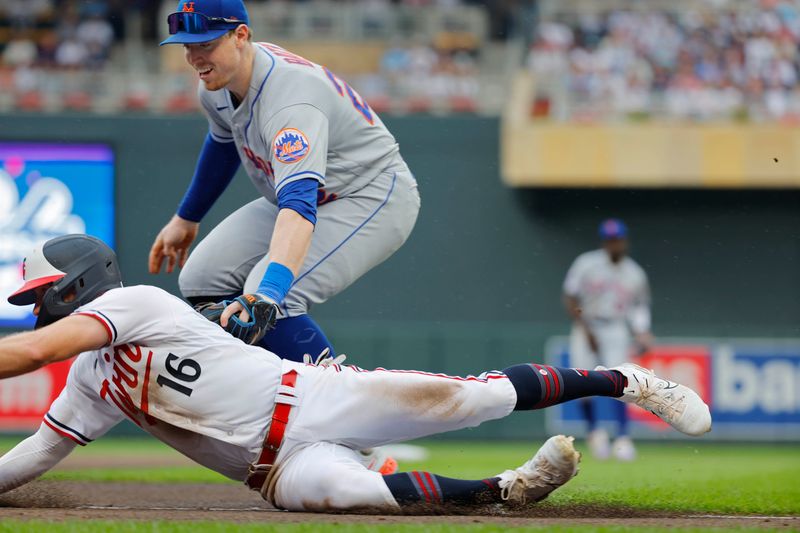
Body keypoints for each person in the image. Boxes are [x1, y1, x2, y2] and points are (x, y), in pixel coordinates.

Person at [0, 235, 710, 512]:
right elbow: (40, 450)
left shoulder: (132, 301)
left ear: (76, 282)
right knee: (357, 494)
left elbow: (28, 353)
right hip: (274, 470)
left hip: (310, 398)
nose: (35, 314)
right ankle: (507, 489)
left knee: (474, 399)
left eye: (38, 297)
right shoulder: (90, 376)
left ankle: (629, 381)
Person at [147, 0, 420, 364]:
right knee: (201, 279)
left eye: (206, 44)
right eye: (188, 46)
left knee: (273, 294)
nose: (195, 57)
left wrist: (269, 294)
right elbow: (224, 141)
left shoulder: (290, 101)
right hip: (309, 195)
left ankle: (329, 403)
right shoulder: (216, 84)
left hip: (369, 194)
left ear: (241, 35)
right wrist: (187, 216)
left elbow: (298, 207)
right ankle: (261, 389)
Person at [562, 219, 653, 461]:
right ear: (604, 242)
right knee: (581, 383)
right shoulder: (587, 263)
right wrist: (586, 329)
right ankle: (594, 432)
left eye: (618, 239)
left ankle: (623, 438)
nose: (615, 244)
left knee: (621, 381)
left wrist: (642, 332)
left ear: (625, 241)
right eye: (610, 240)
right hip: (587, 324)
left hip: (616, 327)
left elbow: (639, 307)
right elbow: (570, 296)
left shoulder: (634, 273)